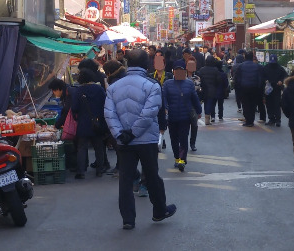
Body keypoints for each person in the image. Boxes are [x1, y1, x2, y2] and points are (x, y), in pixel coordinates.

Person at [104, 49, 176, 230]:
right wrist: (134, 133)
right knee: (152, 176)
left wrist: (120, 133)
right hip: (146, 140)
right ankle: (159, 211)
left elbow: (109, 114)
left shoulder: (113, 86)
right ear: (147, 64)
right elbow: (150, 112)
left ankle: (128, 219)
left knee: (126, 180)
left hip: (123, 142)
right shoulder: (152, 85)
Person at [162, 59, 202, 172]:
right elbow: (163, 98)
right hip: (172, 116)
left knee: (183, 139)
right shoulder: (167, 84)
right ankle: (177, 158)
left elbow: (195, 99)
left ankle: (182, 160)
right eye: (177, 70)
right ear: (173, 71)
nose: (179, 72)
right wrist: (165, 109)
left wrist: (198, 111)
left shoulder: (189, 83)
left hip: (185, 117)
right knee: (174, 139)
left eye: (181, 70)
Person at [70, 68, 107, 179]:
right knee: (99, 147)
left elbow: (74, 108)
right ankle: (100, 170)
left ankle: (81, 171)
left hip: (83, 123)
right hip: (97, 122)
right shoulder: (99, 89)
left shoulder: (79, 91)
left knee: (82, 147)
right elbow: (106, 104)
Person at [235, 51, 265, 127]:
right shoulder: (259, 67)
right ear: (252, 57)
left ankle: (248, 120)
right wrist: (260, 88)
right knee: (253, 104)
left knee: (245, 104)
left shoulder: (241, 66)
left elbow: (237, 79)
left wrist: (238, 88)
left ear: (245, 57)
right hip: (255, 88)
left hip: (244, 88)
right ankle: (251, 120)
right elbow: (261, 79)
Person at [263, 54, 287, 127]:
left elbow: (285, 76)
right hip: (268, 88)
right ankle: (271, 119)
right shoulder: (266, 67)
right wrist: (265, 81)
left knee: (276, 104)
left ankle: (278, 120)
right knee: (269, 104)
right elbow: (262, 76)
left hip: (277, 88)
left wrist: (281, 81)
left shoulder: (280, 68)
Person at [198, 55, 220, 124]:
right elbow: (218, 80)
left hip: (204, 89)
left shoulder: (202, 69)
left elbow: (199, 79)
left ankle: (207, 118)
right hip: (212, 89)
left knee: (206, 103)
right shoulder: (215, 70)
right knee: (210, 103)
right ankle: (209, 118)